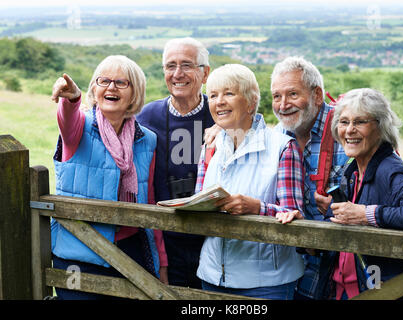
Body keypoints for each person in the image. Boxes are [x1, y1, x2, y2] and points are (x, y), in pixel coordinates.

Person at [50, 55, 167, 299]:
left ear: (135, 93)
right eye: (103, 81)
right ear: (94, 88)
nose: (111, 87)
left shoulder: (148, 139)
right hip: (78, 253)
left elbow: (150, 202)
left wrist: (160, 261)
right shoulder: (79, 128)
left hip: (130, 252)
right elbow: (67, 118)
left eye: (121, 82)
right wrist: (71, 98)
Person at [316, 88, 403, 300]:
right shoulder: (352, 172)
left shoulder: (389, 168)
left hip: (385, 292)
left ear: (381, 126)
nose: (349, 130)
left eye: (360, 122)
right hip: (348, 290)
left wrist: (365, 214)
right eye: (344, 122)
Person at [195, 64, 305, 299]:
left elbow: (294, 216)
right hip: (212, 276)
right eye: (213, 95)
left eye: (229, 93)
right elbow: (199, 201)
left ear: (251, 102)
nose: (219, 101)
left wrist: (257, 208)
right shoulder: (209, 147)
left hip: (267, 284)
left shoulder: (282, 147)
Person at [136, 37, 215, 289]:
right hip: (164, 240)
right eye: (170, 66)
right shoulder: (147, 116)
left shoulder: (220, 115)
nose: (177, 74)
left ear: (205, 73)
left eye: (187, 65)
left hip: (214, 239)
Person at [270, 56, 349, 300]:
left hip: (345, 266)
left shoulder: (347, 131)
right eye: (276, 96)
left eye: (293, 94)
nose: (283, 105)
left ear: (317, 95)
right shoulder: (275, 138)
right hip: (294, 268)